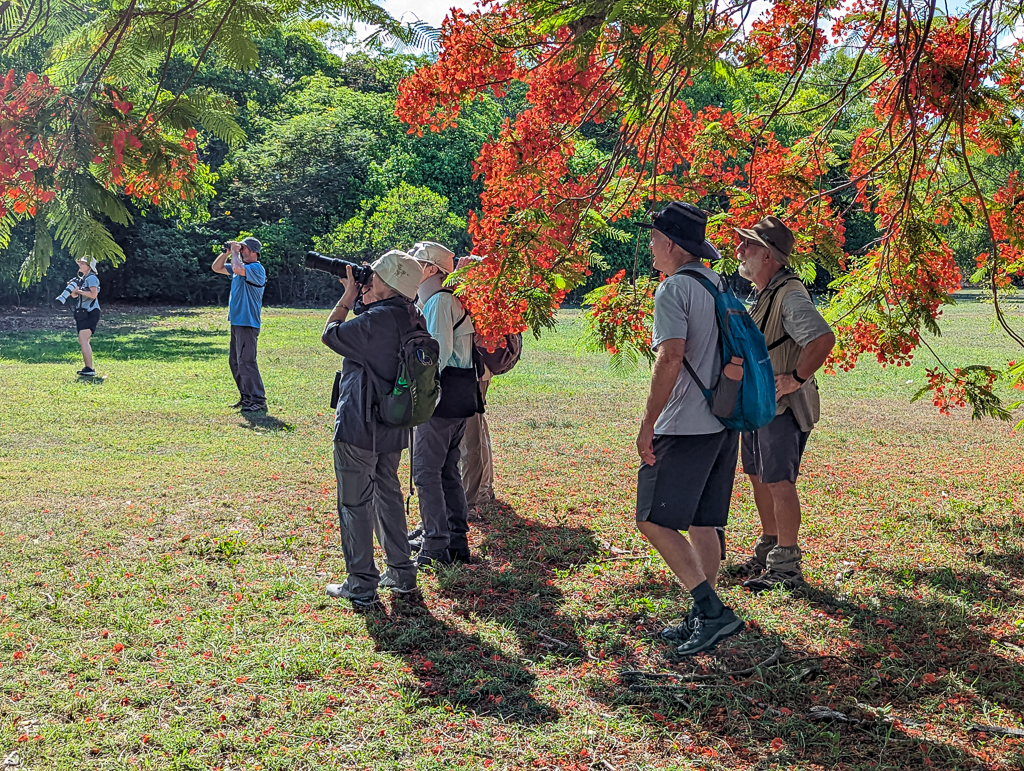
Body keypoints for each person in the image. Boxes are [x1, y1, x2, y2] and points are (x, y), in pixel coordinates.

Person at [634, 202, 744, 656]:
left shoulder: (674, 290)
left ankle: (712, 612)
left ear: (673, 244)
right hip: (723, 419)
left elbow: (671, 357)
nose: (652, 247)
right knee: (703, 521)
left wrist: (647, 422)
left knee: (651, 520)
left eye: (657, 239)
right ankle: (704, 613)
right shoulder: (716, 284)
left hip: (685, 424)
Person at [733, 216, 836, 592]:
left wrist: (793, 379)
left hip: (783, 408)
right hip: (761, 407)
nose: (739, 251)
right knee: (760, 476)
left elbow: (822, 340)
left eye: (748, 245)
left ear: (768, 255)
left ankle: (787, 567)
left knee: (779, 481)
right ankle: (769, 550)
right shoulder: (768, 292)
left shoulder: (789, 294)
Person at [320, 250, 426, 611]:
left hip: (358, 425)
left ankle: (361, 583)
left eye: (375, 275)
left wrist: (348, 296)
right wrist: (366, 296)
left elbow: (331, 335)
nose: (369, 278)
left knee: (354, 503)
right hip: (393, 423)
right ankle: (401, 571)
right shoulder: (412, 315)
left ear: (388, 282)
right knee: (388, 495)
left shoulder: (376, 320)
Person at [410, 241, 478, 568]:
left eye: (417, 262)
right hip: (458, 397)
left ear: (432, 270)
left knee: (426, 473)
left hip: (438, 401)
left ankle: (435, 545)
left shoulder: (438, 302)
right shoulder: (448, 299)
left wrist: (418, 399)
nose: (410, 267)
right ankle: (455, 541)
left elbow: (435, 356)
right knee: (447, 471)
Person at [456, 256, 495, 513]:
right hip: (480, 370)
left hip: (474, 370)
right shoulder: (485, 291)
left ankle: (473, 497)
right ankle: (483, 489)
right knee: (477, 429)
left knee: (469, 436)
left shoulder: (476, 295)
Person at [212, 237, 267, 412]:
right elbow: (217, 268)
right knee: (235, 361)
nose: (241, 252)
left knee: (247, 361)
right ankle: (246, 397)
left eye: (243, 249)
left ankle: (258, 399)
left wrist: (234, 253)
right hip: (237, 321)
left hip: (248, 322)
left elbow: (237, 268)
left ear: (253, 251)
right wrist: (227, 252)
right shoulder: (239, 268)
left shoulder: (256, 268)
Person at [69, 258, 101, 377]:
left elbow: (93, 294)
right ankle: (88, 368)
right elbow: (74, 296)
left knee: (83, 340)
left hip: (91, 312)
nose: (80, 265)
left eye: (83, 263)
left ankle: (89, 368)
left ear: (89, 266)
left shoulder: (92, 278)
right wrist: (73, 290)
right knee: (83, 340)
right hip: (82, 312)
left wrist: (80, 291)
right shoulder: (82, 279)